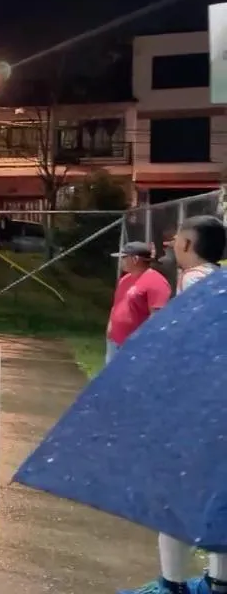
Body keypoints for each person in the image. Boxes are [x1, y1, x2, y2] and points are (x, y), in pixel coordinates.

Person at [119, 217, 226, 594]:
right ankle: (217, 582)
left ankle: (173, 584)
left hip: (200, 407)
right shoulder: (219, 279)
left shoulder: (195, 281)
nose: (171, 246)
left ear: (187, 245)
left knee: (173, 496)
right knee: (217, 498)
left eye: (177, 240)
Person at [106, 241, 171, 365]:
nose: (121, 261)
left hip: (134, 345)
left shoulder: (157, 282)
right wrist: (110, 327)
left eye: (124, 257)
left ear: (135, 259)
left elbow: (157, 317)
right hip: (114, 341)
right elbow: (116, 305)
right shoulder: (125, 279)